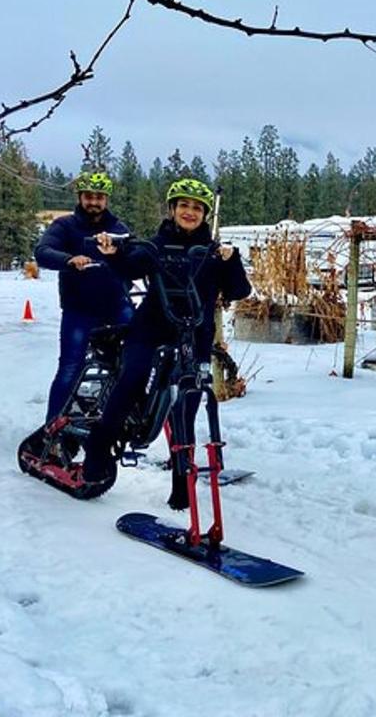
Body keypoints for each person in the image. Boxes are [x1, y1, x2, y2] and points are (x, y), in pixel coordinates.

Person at [81, 178, 251, 503]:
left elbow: (239, 291)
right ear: (172, 209)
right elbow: (129, 266)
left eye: (197, 208)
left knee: (187, 404)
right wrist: (113, 253)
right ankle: (98, 447)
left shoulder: (214, 254)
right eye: (184, 205)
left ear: (205, 214)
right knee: (133, 377)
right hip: (152, 327)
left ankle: (181, 484)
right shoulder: (156, 246)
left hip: (194, 334)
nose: (190, 212)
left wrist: (232, 261)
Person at [34, 171, 134, 422]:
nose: (94, 202)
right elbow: (43, 252)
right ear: (80, 197)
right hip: (79, 309)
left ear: (107, 200)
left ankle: (122, 422)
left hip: (116, 306)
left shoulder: (118, 228)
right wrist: (69, 260)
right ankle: (52, 429)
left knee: (133, 364)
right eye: (89, 196)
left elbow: (136, 256)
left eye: (99, 197)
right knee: (70, 368)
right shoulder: (65, 226)